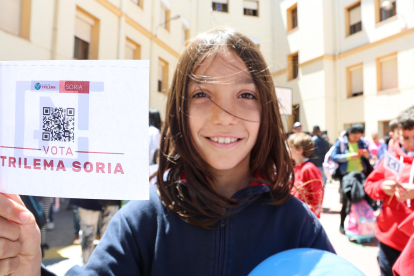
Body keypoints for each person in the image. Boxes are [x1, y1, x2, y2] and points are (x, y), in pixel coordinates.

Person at [0, 27, 334, 276]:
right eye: (202, 94)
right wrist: (29, 269)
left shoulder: (298, 225)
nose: (224, 116)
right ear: (178, 111)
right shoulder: (142, 219)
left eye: (245, 94)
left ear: (266, 111)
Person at [365, 108, 414, 276]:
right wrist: (382, 187)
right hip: (389, 237)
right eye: (406, 138)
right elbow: (370, 185)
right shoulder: (390, 158)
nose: (410, 143)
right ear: (398, 135)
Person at [330, 124, 370, 235]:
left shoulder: (362, 142)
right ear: (350, 133)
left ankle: (361, 225)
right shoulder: (342, 142)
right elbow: (334, 156)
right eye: (355, 137)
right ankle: (342, 225)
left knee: (362, 200)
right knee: (346, 202)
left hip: (361, 175)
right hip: (346, 176)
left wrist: (367, 155)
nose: (357, 139)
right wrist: (348, 156)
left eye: (359, 137)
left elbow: (369, 157)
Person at [288, 133, 324, 218]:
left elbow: (317, 197)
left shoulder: (309, 168)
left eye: (290, 147)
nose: (287, 149)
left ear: (299, 150)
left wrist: (310, 216)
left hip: (305, 218)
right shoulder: (296, 167)